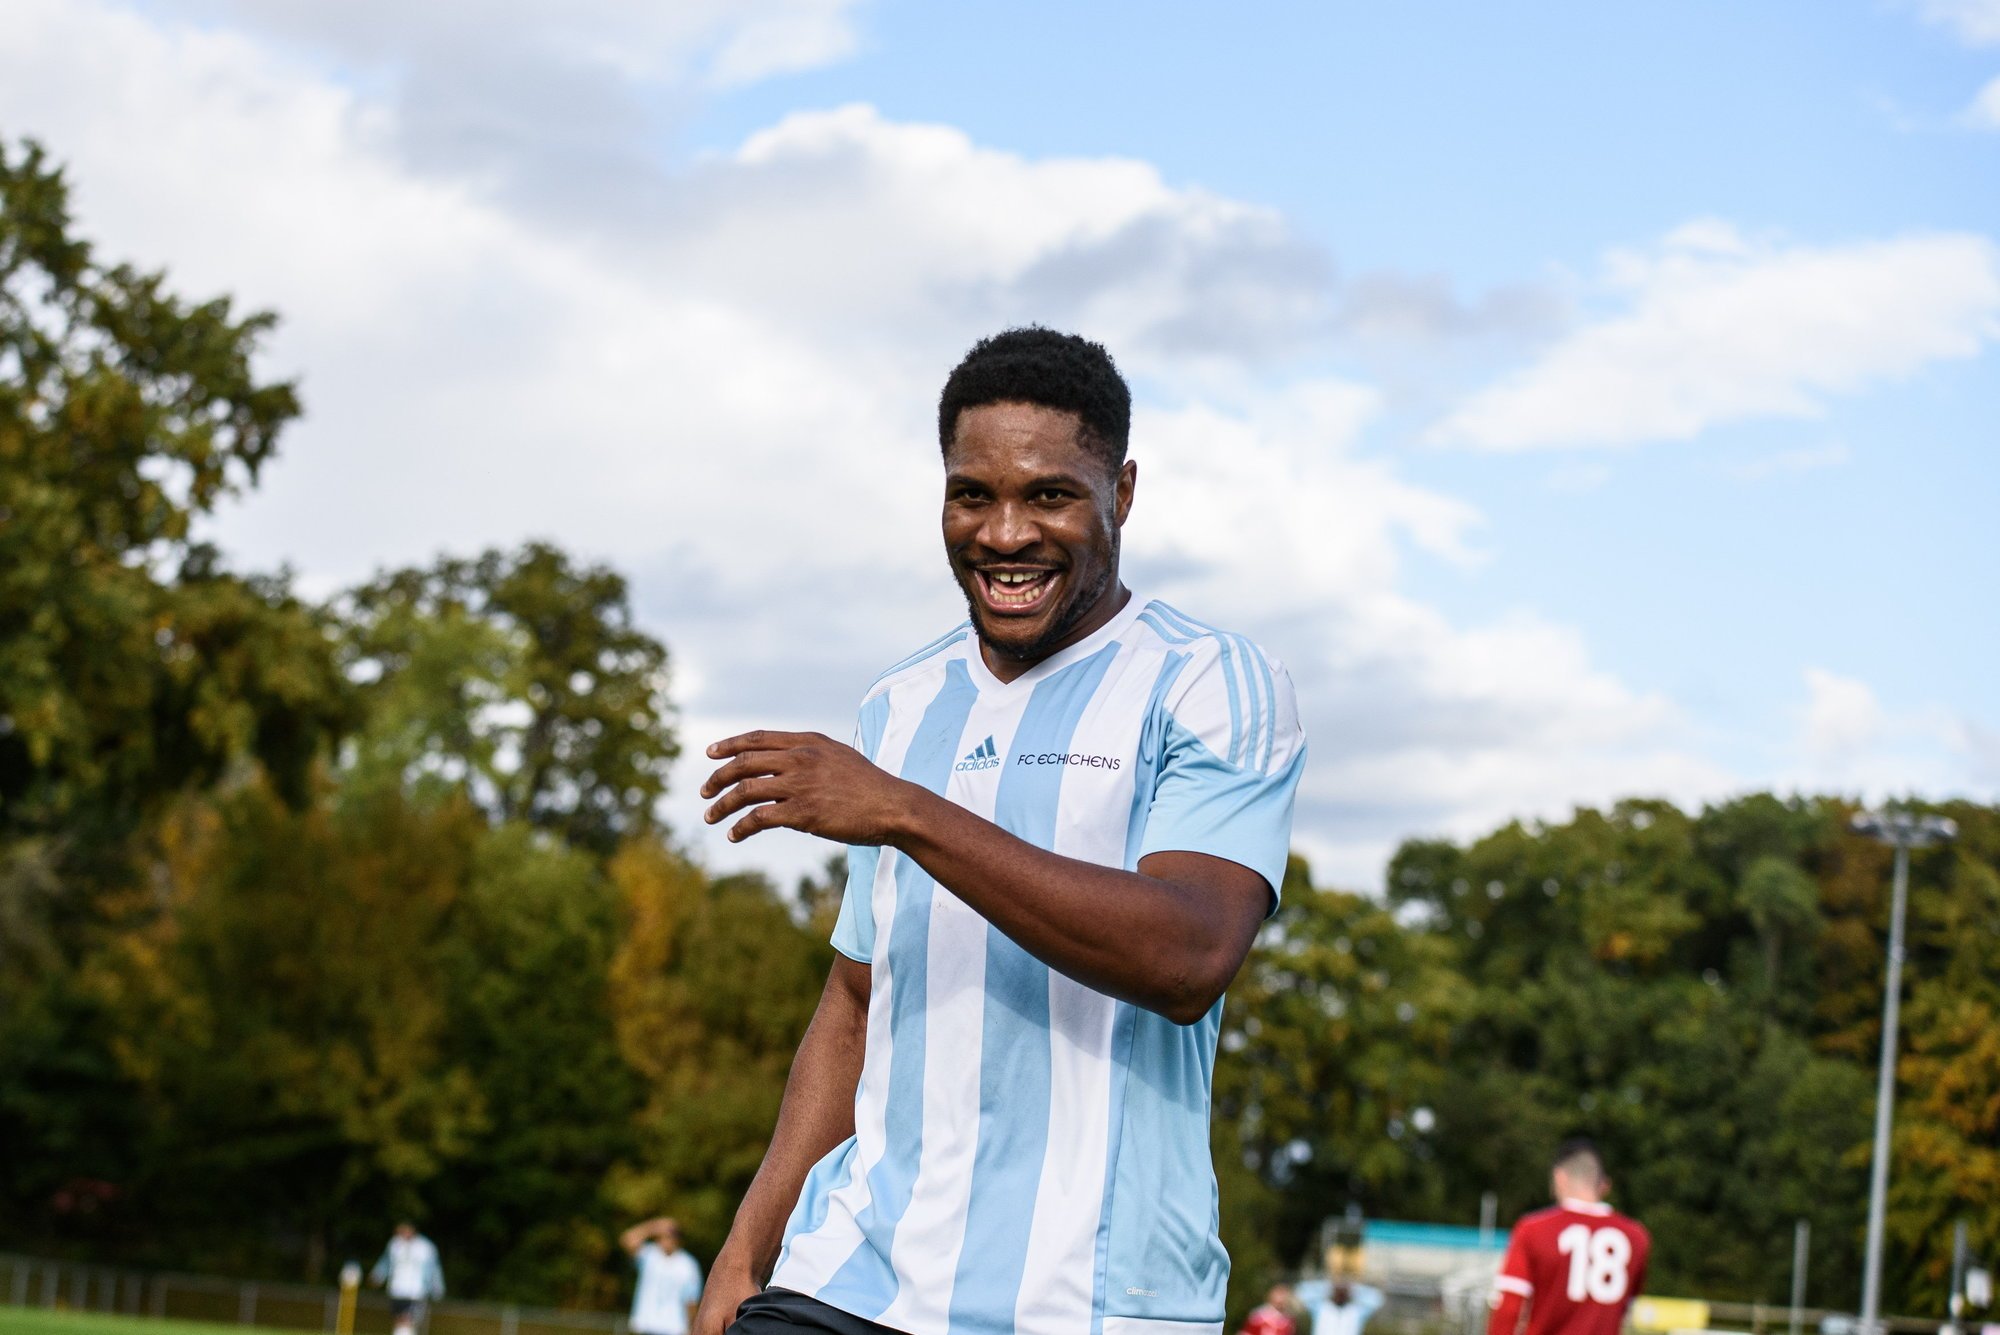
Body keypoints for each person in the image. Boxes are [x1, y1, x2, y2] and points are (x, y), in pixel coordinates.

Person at [690, 328, 1307, 1335]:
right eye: (971, 494)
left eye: (1050, 495)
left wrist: (903, 809)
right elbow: (854, 1003)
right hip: (847, 1280)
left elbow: (1189, 955)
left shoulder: (1207, 681)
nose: (1005, 533)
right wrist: (743, 1254)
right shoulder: (898, 705)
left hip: (1095, 1301)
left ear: (1122, 492)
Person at [1487, 1139, 1650, 1335]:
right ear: (1603, 1185)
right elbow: (1625, 1308)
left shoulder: (1533, 1229)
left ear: (1560, 1177)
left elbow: (1509, 1308)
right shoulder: (1636, 1236)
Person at [623, 1217, 705, 1335]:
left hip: (673, 1328)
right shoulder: (650, 1255)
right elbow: (627, 1239)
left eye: (668, 1236)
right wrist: (654, 1227)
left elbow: (691, 1301)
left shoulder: (688, 1265)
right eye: (661, 1237)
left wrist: (691, 1327)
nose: (664, 1241)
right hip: (646, 1325)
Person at [370, 1222, 444, 1335]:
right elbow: (386, 1262)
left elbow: (434, 1269)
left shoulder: (425, 1248)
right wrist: (378, 1275)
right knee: (399, 1320)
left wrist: (437, 1288)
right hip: (396, 1290)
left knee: (408, 1319)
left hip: (416, 1292)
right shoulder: (394, 1244)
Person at [1295, 1276, 1385, 1335]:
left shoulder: (1356, 1311)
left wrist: (1353, 1288)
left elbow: (1377, 1299)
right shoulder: (1321, 1308)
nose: (1340, 1294)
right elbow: (1302, 1292)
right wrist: (1330, 1286)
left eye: (1343, 1292)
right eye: (1338, 1292)